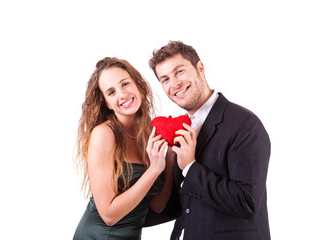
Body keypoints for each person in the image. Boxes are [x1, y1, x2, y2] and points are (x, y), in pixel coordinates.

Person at [146, 41, 271, 240]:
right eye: (165, 79)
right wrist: (119, 219)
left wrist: (190, 167)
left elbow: (246, 202)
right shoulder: (182, 129)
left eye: (179, 72)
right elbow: (183, 205)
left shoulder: (245, 124)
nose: (174, 84)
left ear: (200, 68)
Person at [73, 57, 175, 240]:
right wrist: (154, 169)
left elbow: (158, 206)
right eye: (111, 92)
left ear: (138, 85)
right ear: (107, 103)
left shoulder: (150, 133)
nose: (122, 94)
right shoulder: (104, 134)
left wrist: (169, 163)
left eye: (125, 84)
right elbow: (109, 216)